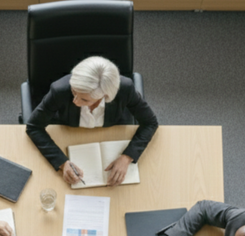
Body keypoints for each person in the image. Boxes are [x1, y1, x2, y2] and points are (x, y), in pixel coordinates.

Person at [24, 56, 159, 187]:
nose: (75, 101)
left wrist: (127, 157)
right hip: (69, 135)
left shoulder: (124, 89)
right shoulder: (60, 90)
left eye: (84, 100)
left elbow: (150, 122)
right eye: (74, 92)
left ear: (105, 96)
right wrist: (62, 162)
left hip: (112, 133)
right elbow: (33, 126)